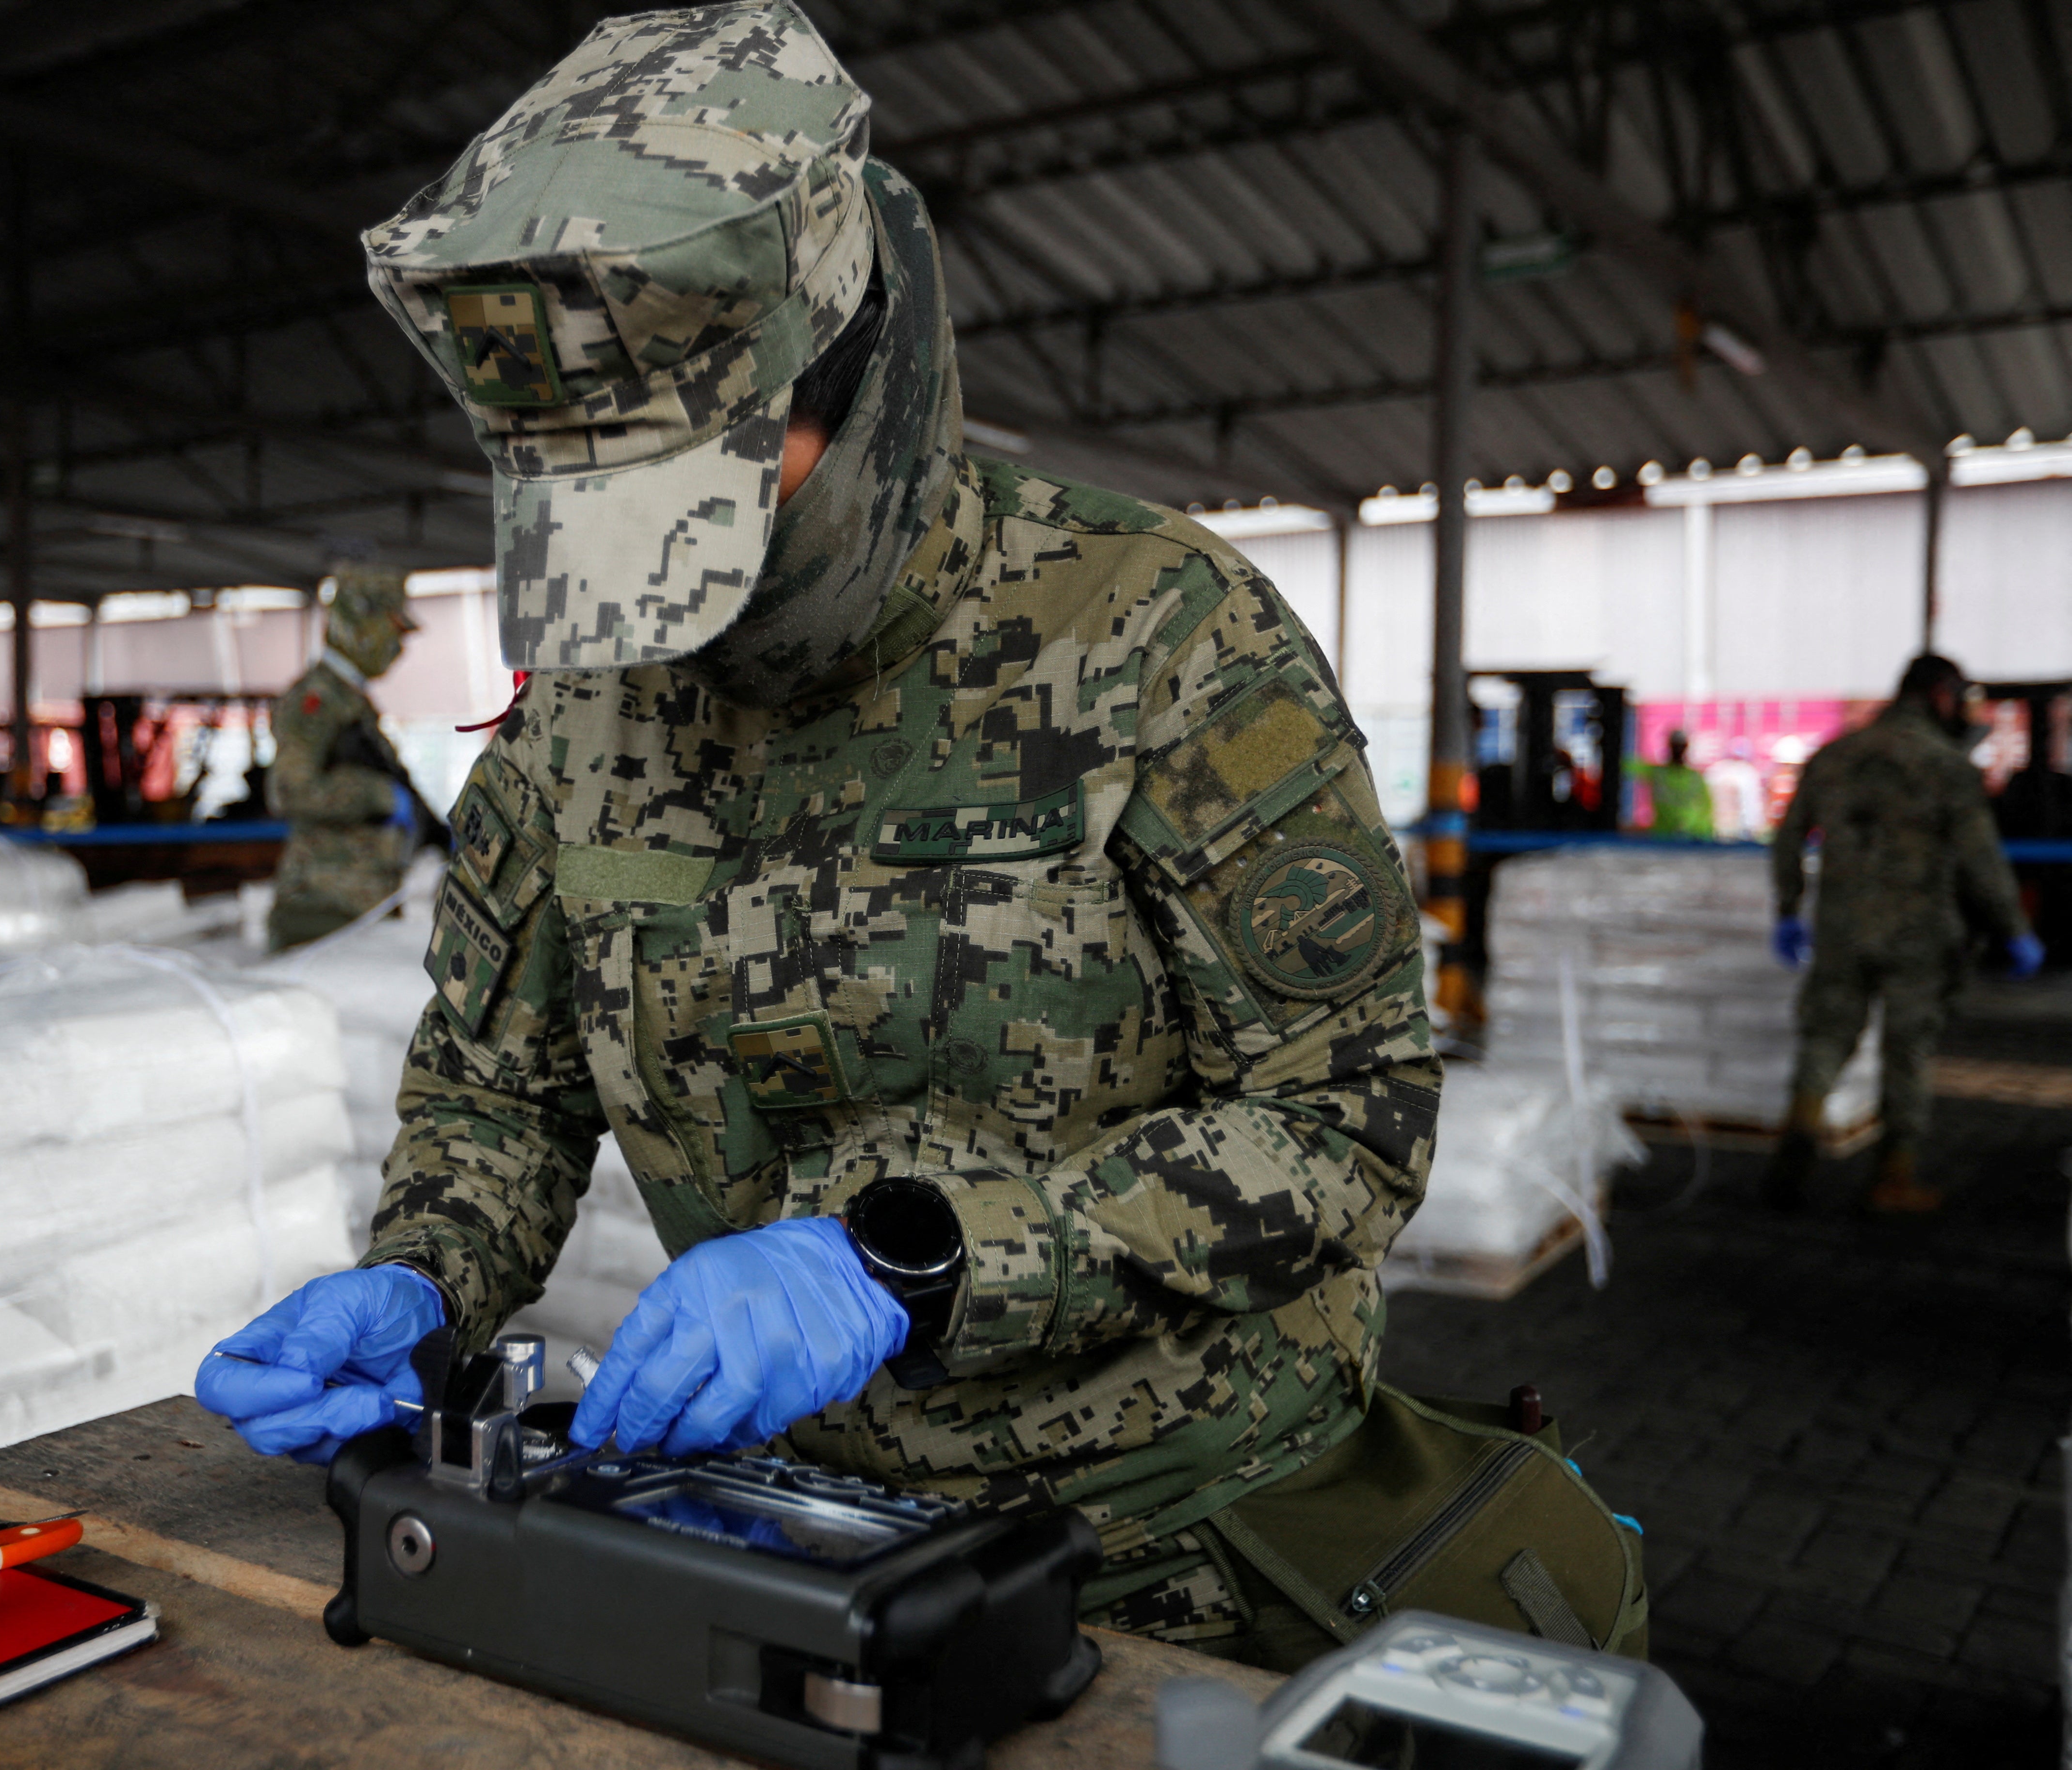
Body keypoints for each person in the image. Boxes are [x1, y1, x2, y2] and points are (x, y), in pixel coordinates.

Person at [200, 3, 1459, 1666]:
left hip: (1172, 1547)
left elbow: (1348, 1116)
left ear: (861, 367)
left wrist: (915, 1266)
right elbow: (500, 1086)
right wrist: (430, 1274)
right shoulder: (589, 703)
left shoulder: (1156, 633)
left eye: (706, 504)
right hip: (785, 1533)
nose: (663, 603)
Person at [1765, 654, 2044, 1212]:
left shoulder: (1835, 755)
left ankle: (1794, 1150)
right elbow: (1980, 858)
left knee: (1826, 1037)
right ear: (1940, 696)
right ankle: (1893, 1178)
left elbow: (1790, 837)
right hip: (1918, 935)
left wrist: (1791, 910)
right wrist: (2014, 927)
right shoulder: (1946, 767)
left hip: (1842, 928)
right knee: (1908, 1050)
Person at [262, 566, 424, 951]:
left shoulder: (349, 700)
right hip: (323, 909)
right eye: (393, 629)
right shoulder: (316, 701)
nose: (399, 648)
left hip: (359, 905)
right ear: (357, 622)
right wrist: (378, 795)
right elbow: (288, 790)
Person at [1626, 729, 1714, 839]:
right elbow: (1625, 765)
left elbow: (1706, 808)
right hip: (1663, 837)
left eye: (1681, 746)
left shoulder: (1695, 777)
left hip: (1691, 838)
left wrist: (1704, 837)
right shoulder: (1658, 772)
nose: (1678, 750)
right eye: (1676, 746)